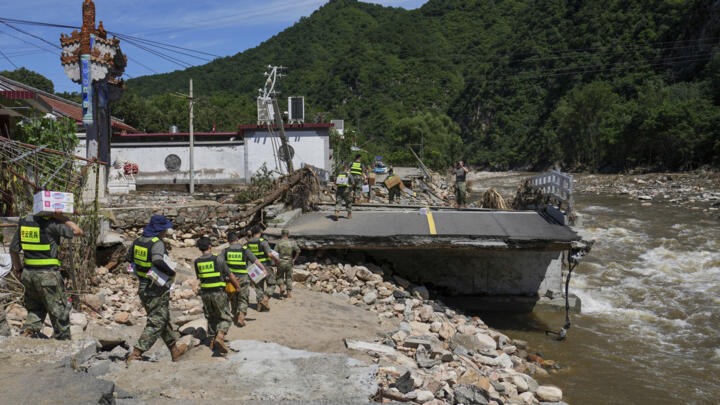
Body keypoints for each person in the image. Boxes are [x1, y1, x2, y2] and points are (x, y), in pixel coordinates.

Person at [9, 210, 83, 340]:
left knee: (35, 308)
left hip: (28, 275)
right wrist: (60, 217)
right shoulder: (51, 224)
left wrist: (19, 270)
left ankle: (26, 336)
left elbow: (13, 250)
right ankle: (64, 344)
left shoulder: (25, 223)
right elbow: (77, 231)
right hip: (48, 276)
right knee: (59, 312)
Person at [126, 215, 187, 364]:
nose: (166, 232)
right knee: (157, 321)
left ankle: (175, 351)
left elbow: (128, 258)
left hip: (143, 286)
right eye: (165, 229)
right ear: (160, 229)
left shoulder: (138, 241)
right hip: (156, 288)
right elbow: (158, 260)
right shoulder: (157, 243)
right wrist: (170, 272)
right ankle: (137, 352)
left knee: (162, 318)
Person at [193, 237, 239, 355]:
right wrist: (237, 287)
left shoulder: (197, 261)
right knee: (226, 317)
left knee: (211, 316)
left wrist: (195, 287)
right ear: (210, 246)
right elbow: (230, 275)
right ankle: (220, 336)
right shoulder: (218, 259)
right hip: (218, 293)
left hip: (205, 294)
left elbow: (199, 278)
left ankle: (212, 341)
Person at [222, 230, 266, 326]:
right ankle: (241, 315)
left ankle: (235, 315)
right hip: (243, 278)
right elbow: (255, 260)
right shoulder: (244, 249)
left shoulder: (225, 250)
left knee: (233, 298)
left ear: (228, 240)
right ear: (237, 238)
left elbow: (220, 264)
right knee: (243, 298)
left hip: (231, 279)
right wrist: (263, 269)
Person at [247, 225, 279, 311]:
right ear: (259, 232)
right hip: (266, 266)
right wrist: (276, 259)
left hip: (254, 267)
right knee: (272, 284)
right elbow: (269, 254)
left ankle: (259, 305)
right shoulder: (263, 241)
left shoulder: (248, 243)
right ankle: (265, 299)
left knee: (259, 286)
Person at [274, 229, 300, 299]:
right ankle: (289, 293)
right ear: (288, 235)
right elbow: (298, 251)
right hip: (289, 262)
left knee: (279, 276)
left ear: (281, 234)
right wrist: (294, 259)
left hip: (280, 262)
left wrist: (276, 260)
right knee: (289, 277)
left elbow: (275, 253)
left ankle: (282, 287)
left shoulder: (278, 242)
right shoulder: (292, 242)